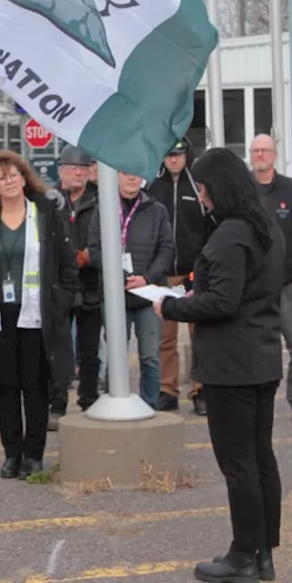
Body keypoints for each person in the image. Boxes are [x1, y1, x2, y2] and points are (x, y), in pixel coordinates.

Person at [155, 147, 286, 583]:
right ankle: (263, 552)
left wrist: (173, 305)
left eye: (206, 188)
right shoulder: (265, 224)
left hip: (232, 364)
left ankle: (243, 555)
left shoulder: (231, 234)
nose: (203, 196)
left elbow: (222, 301)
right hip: (261, 355)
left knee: (239, 463)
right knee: (260, 457)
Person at [0, 150, 79, 480]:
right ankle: (12, 454)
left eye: (14, 175)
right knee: (7, 387)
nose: (9, 181)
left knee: (36, 386)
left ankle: (34, 454)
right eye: (2, 178)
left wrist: (61, 301)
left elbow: (68, 265)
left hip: (38, 315)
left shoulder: (46, 214)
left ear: (25, 178)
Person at [88, 171, 174, 410]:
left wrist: (146, 278)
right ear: (114, 176)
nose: (131, 178)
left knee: (149, 356)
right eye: (126, 173)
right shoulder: (103, 209)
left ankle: (150, 405)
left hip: (148, 295)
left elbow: (166, 249)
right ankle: (113, 402)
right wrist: (122, 277)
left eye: (136, 174)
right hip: (115, 295)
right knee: (115, 356)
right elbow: (95, 250)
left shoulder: (157, 211)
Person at [149, 138, 214, 415]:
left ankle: (200, 389)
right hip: (163, 274)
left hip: (193, 273)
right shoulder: (153, 187)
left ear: (187, 155)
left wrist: (201, 269)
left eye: (178, 154)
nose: (173, 159)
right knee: (165, 338)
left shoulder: (198, 186)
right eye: (168, 155)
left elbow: (209, 229)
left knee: (198, 335)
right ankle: (168, 389)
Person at [249, 133, 292, 423]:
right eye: (256, 150)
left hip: (287, 286)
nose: (260, 155)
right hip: (253, 288)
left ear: (274, 155)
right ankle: (256, 405)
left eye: (265, 150)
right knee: (258, 350)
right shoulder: (243, 191)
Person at [49, 145, 100, 424]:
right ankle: (56, 404)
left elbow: (110, 235)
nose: (78, 172)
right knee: (57, 349)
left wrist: (89, 254)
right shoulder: (48, 200)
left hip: (91, 281)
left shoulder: (99, 199)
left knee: (90, 350)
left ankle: (89, 400)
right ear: (61, 170)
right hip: (59, 284)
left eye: (83, 167)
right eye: (73, 168)